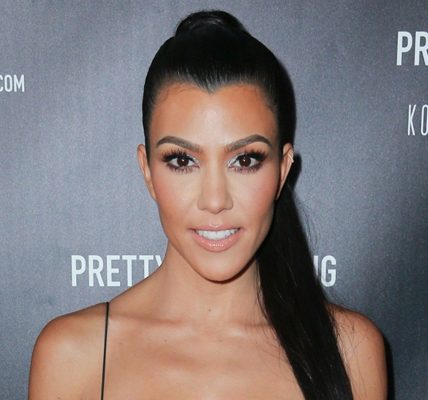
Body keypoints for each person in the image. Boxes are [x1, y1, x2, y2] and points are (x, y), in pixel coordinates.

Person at [28, 9, 387, 400]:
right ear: (147, 171)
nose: (215, 200)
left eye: (245, 160)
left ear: (283, 171)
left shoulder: (350, 352)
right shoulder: (73, 356)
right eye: (182, 161)